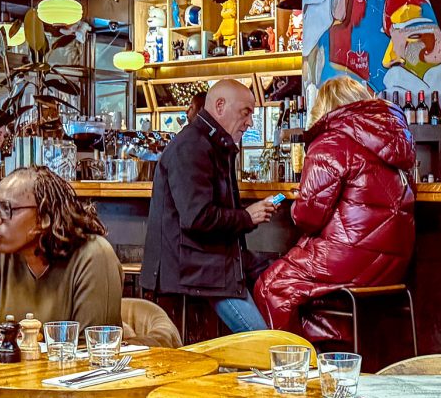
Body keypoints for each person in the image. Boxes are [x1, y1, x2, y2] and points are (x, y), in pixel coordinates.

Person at [253, 76, 416, 341]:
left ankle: (293, 370)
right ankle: (330, 359)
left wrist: (297, 204)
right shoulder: (395, 142)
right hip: (392, 268)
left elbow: (308, 217)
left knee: (271, 286)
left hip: (348, 260)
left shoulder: (331, 142)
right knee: (310, 299)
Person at [143, 79, 277, 333]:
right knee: (264, 343)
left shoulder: (210, 144)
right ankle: (278, 361)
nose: (250, 123)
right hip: (196, 271)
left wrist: (248, 216)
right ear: (219, 106)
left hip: (209, 266)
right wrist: (246, 217)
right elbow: (197, 217)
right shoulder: (192, 147)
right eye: (245, 113)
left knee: (276, 281)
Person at [0, 166, 122, 330]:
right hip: (17, 366)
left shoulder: (94, 256)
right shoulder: (2, 254)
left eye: (6, 208)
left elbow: (93, 351)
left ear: (43, 218)